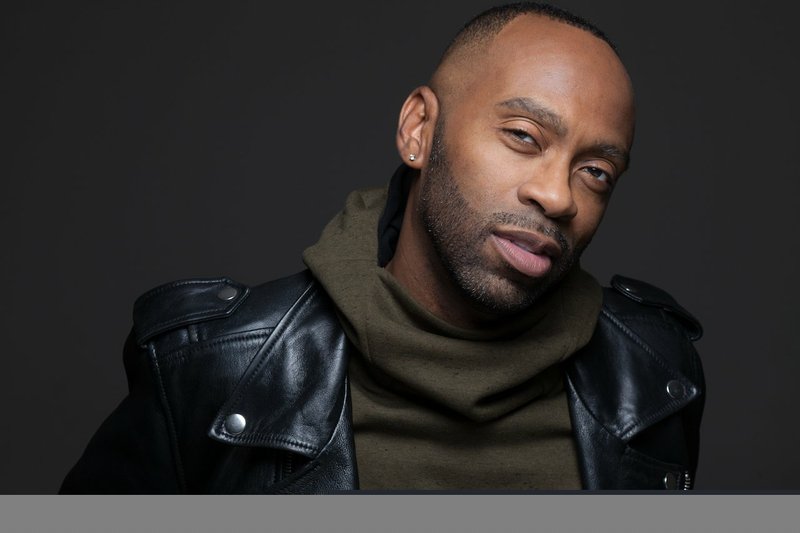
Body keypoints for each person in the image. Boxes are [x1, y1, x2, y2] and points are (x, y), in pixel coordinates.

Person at [61, 2, 704, 493]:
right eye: (523, 136)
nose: (558, 196)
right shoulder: (215, 370)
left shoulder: (654, 377)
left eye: (596, 171)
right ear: (419, 130)